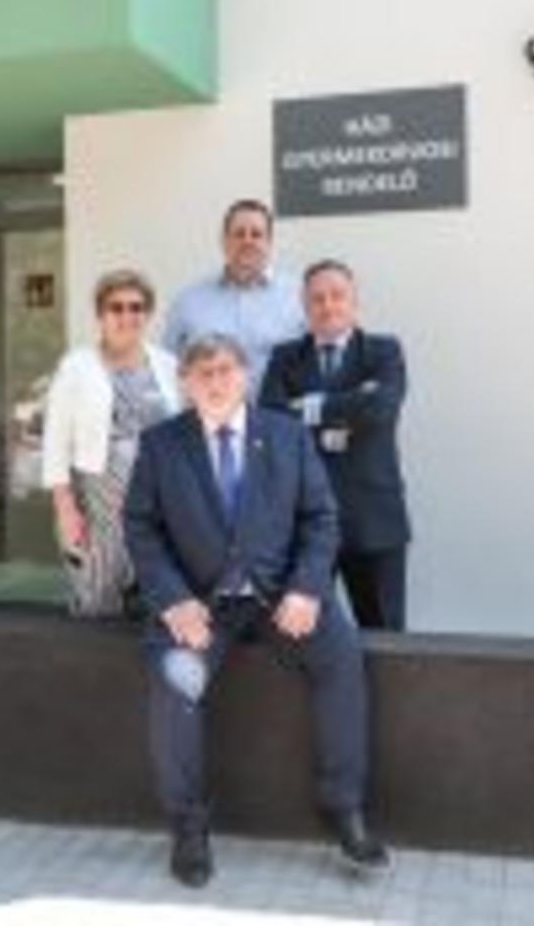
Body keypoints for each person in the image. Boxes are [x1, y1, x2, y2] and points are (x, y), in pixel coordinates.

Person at [125, 332, 388, 888]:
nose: (216, 382)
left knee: (342, 658)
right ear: (186, 383)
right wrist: (173, 599)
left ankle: (345, 808)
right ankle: (188, 826)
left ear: (244, 376)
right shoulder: (161, 444)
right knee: (176, 681)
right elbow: (141, 528)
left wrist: (308, 588)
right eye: (203, 373)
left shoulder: (287, 436)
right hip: (199, 603)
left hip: (280, 596)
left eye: (225, 370)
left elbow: (321, 518)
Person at [261, 260, 412, 630]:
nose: (328, 306)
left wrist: (310, 407)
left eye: (337, 296)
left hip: (374, 520)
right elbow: (272, 422)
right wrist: (352, 405)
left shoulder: (383, 352)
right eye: (317, 299)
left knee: (385, 636)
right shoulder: (285, 357)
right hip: (305, 521)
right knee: (300, 634)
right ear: (305, 306)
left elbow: (380, 409)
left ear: (354, 302)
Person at [42, 269, 180, 617]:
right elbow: (55, 441)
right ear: (100, 314)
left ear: (148, 313)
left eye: (136, 307)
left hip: (158, 505)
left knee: (156, 598)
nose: (126, 316)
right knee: (98, 597)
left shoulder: (167, 365)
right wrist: (65, 509)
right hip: (99, 507)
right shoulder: (77, 366)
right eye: (115, 307)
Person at [161, 198, 305, 391]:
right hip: (208, 409)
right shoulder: (188, 301)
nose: (247, 241)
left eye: (256, 234)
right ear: (224, 241)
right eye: (239, 234)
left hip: (278, 408)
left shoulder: (299, 297)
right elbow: (167, 368)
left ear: (269, 242)